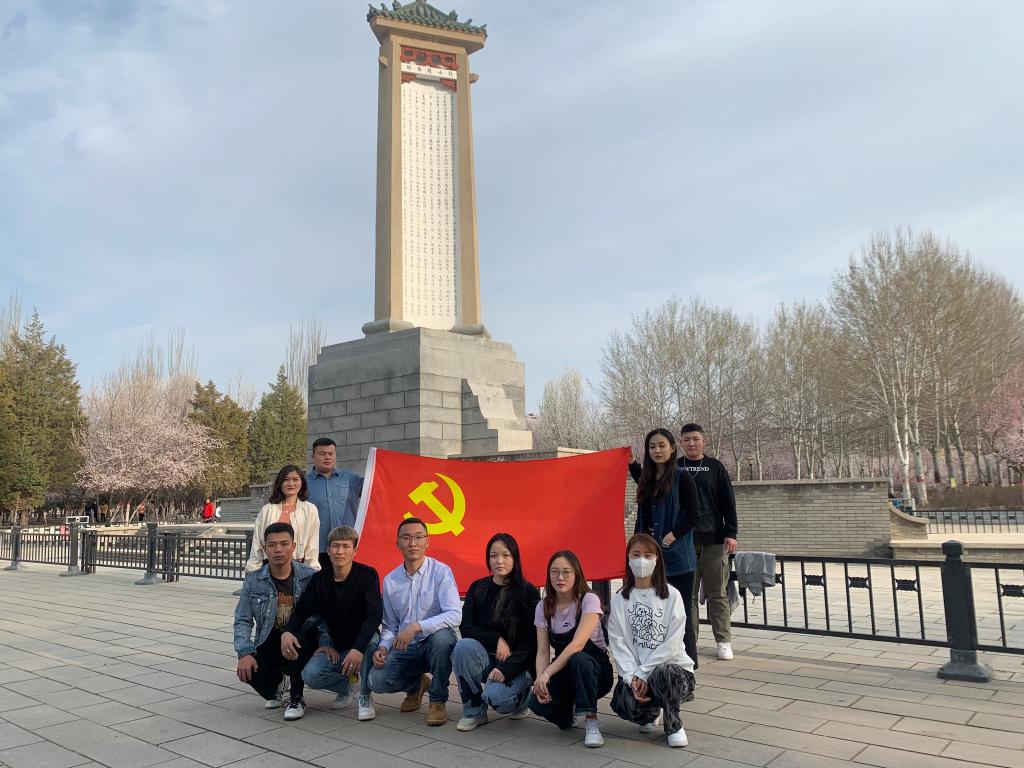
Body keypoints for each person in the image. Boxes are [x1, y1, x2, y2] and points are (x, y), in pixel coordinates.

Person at [282, 525, 382, 722]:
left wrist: (358, 648)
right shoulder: (319, 579)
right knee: (311, 675)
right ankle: (348, 686)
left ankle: (365, 696)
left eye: (346, 546)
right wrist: (287, 632)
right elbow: (302, 611)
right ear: (328, 550)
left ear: (355, 551)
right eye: (335, 546)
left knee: (371, 641)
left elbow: (374, 615)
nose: (340, 551)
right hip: (335, 644)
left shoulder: (367, 575)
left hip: (363, 641)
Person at [368, 517, 461, 726]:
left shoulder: (441, 572)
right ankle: (416, 685)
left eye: (418, 537)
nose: (413, 543)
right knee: (376, 680)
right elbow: (390, 625)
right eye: (406, 538)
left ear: (427, 541)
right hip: (406, 647)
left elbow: (455, 614)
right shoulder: (391, 580)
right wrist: (383, 648)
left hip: (433, 644)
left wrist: (416, 627)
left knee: (443, 639)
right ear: (398, 543)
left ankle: (437, 700)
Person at [608, 533, 696, 748]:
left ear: (657, 559)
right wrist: (632, 676)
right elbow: (618, 643)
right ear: (628, 558)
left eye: (648, 555)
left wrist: (644, 672)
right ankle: (652, 711)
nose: (642, 561)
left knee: (666, 673)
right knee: (624, 703)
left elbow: (673, 643)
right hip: (638, 674)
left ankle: (674, 724)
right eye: (636, 554)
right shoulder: (620, 599)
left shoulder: (672, 595)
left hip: (674, 671)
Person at [451, 533, 541, 731]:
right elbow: (466, 627)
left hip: (518, 663)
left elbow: (532, 641)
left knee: (497, 698)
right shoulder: (478, 588)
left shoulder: (528, 592)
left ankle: (522, 699)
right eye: (493, 556)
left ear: (515, 558)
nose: (499, 561)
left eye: (505, 555)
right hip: (489, 659)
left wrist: (506, 669)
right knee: (463, 647)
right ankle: (474, 711)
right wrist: (497, 640)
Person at [628, 428, 700, 668]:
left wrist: (672, 536)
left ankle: (688, 668)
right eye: (652, 446)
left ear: (672, 448)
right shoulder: (647, 480)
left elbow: (694, 514)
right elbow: (641, 479)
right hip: (649, 559)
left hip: (677, 558)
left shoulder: (682, 477)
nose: (657, 450)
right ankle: (658, 663)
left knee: (680, 615)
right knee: (653, 612)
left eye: (661, 445)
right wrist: (631, 463)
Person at [528, 550, 613, 748]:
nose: (560, 577)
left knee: (579, 658)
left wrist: (547, 674)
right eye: (555, 572)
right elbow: (542, 651)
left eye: (566, 572)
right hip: (565, 669)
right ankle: (569, 712)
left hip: (596, 671)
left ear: (577, 574)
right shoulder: (543, 606)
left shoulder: (588, 600)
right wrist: (540, 680)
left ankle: (591, 721)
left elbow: (577, 645)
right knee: (536, 703)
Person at [233, 522, 318, 720]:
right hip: (270, 639)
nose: (278, 549)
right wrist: (244, 652)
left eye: (284, 544)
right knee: (249, 670)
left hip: (304, 640)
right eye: (272, 545)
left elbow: (321, 615)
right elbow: (243, 619)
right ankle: (280, 684)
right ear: (265, 549)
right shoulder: (254, 580)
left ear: (293, 547)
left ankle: (296, 698)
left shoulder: (309, 577)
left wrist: (326, 643)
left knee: (297, 640)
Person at [679, 423, 738, 661]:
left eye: (695, 439)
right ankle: (690, 642)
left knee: (718, 594)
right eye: (686, 439)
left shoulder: (715, 467)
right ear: (680, 443)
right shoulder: (675, 467)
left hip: (714, 539)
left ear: (704, 441)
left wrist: (731, 532)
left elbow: (728, 501)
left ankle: (723, 641)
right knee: (688, 596)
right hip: (684, 541)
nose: (691, 443)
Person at [246, 465, 320, 573]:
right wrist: (253, 569)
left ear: (302, 483)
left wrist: (312, 570)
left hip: (299, 568)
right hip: (269, 567)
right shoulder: (267, 510)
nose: (291, 484)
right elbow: (257, 542)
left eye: (295, 479)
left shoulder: (310, 510)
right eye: (286, 480)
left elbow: (312, 544)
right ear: (280, 483)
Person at [306, 438, 364, 572]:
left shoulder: (350, 479)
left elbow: (375, 487)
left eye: (331, 454)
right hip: (318, 549)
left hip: (347, 546)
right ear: (313, 456)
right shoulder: (303, 484)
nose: (327, 457)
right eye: (322, 454)